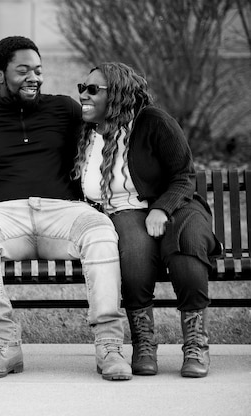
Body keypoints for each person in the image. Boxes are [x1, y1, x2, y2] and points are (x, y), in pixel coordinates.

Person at [0, 36, 132, 381]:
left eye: (38, 70)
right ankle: (4, 345)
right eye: (23, 70)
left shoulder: (64, 108)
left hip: (61, 212)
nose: (34, 77)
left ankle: (109, 346)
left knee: (98, 230)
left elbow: (110, 136)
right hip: (4, 215)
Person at [73, 62, 221, 378]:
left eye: (92, 89)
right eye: (81, 88)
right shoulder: (86, 130)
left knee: (186, 246)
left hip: (177, 205)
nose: (84, 95)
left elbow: (184, 176)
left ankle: (195, 344)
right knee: (134, 257)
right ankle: (144, 342)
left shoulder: (153, 122)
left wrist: (160, 209)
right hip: (126, 212)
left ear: (118, 95)